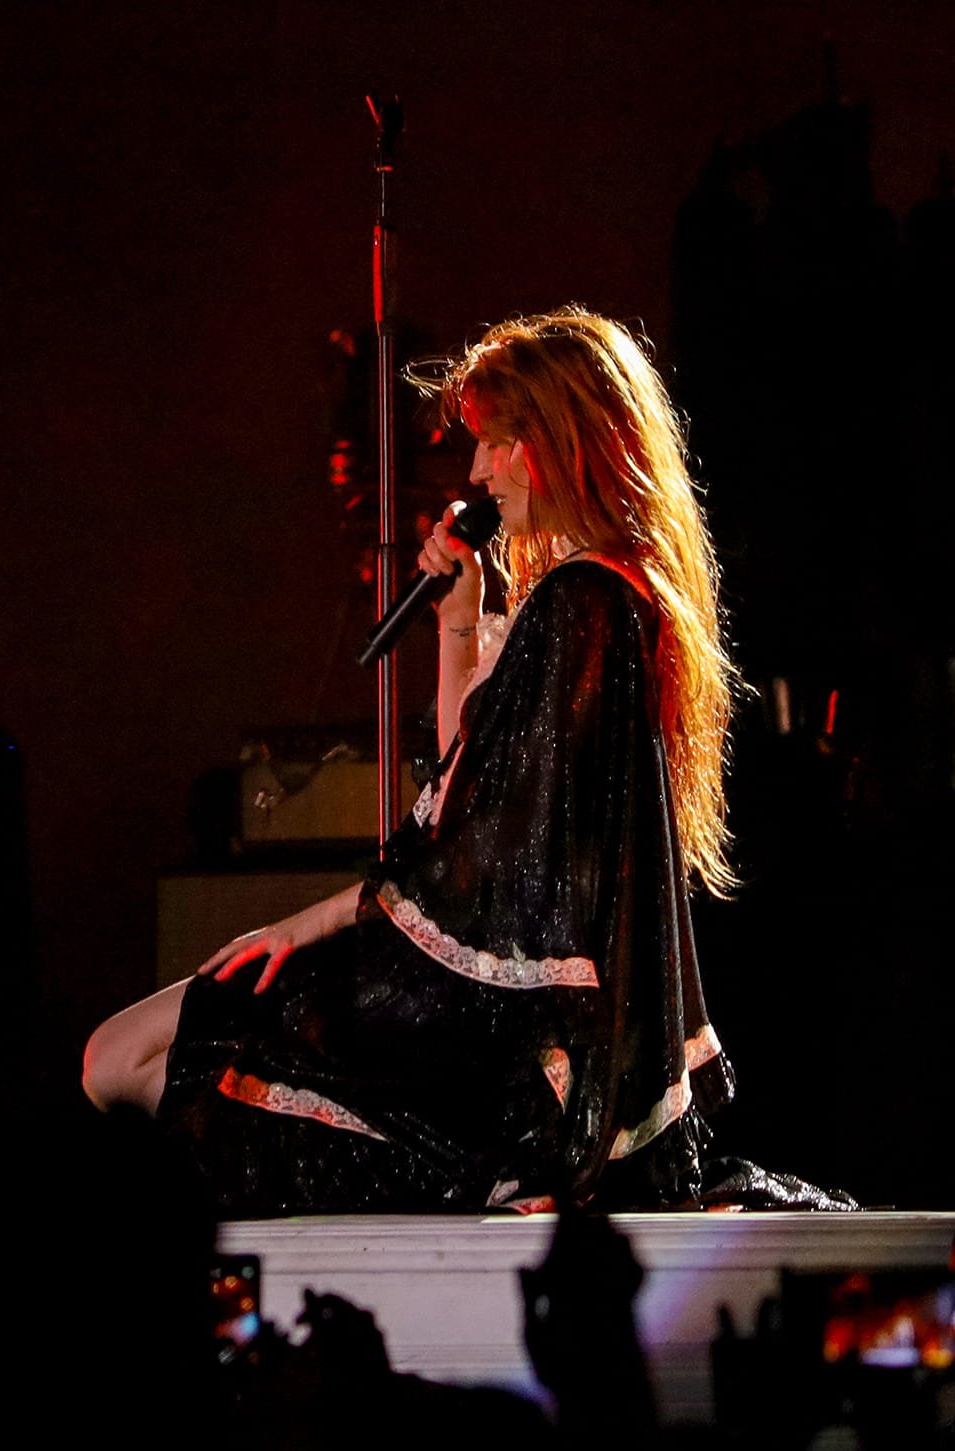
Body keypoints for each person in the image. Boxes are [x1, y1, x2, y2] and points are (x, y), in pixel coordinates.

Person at [83, 305, 743, 1219]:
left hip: (487, 1012)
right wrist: (458, 617)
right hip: (478, 982)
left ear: (560, 441)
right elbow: (465, 770)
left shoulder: (585, 603)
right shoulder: (599, 595)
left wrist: (304, 928)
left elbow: (479, 854)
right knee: (122, 1061)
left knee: (124, 1062)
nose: (476, 471)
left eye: (497, 442)